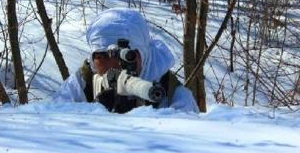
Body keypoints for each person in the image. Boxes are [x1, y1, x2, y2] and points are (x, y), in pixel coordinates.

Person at [53, 8, 199, 113]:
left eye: (126, 57)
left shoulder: (174, 95)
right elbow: (52, 123)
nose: (114, 66)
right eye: (103, 56)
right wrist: (92, 114)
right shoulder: (82, 83)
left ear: (144, 54)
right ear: (92, 57)